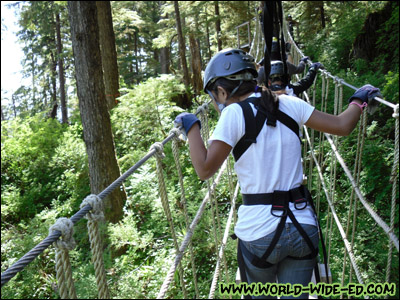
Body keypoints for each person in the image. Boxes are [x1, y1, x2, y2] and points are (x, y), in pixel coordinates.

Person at [174, 48, 380, 299]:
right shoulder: (291, 103)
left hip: (259, 233)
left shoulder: (233, 114)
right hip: (303, 227)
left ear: (222, 91)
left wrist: (191, 125)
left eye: (214, 95)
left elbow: (204, 169)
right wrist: (358, 100)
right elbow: (342, 126)